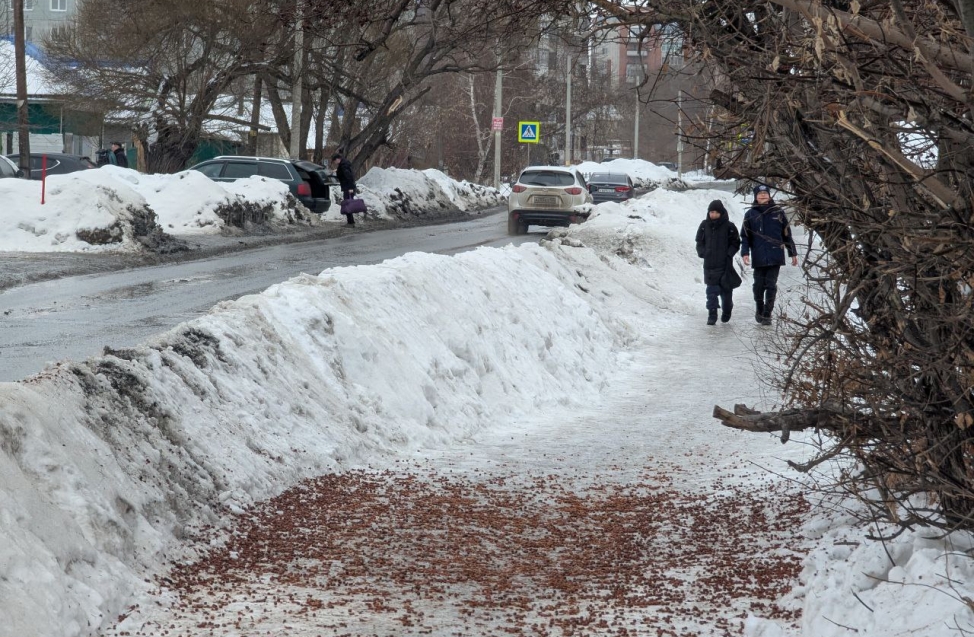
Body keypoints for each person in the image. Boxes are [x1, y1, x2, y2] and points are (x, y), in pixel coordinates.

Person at [740, 184, 798, 326]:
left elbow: (786, 233)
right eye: (760, 194)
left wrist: (792, 253)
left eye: (765, 193)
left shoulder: (778, 212)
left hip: (775, 255)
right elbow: (745, 236)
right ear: (755, 197)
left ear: (769, 195)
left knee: (771, 285)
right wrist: (745, 253)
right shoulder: (750, 214)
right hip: (759, 256)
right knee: (758, 285)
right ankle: (759, 307)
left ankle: (767, 313)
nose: (763, 196)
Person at [695, 199, 741, 325]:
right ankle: (712, 313)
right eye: (711, 212)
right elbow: (699, 241)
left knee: (726, 292)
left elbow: (736, 242)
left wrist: (728, 254)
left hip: (724, 265)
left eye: (715, 212)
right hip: (709, 265)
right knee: (711, 292)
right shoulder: (704, 225)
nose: (713, 215)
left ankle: (727, 309)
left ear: (721, 212)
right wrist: (703, 252)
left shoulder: (729, 226)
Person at [330, 151, 357, 226]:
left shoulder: (343, 165)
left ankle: (351, 222)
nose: (335, 163)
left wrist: (351, 187)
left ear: (338, 159)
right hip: (348, 187)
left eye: (335, 161)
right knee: (348, 203)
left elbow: (349, 176)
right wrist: (337, 171)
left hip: (348, 188)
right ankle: (351, 222)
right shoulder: (343, 164)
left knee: (348, 204)